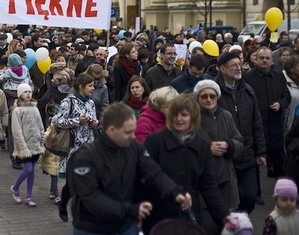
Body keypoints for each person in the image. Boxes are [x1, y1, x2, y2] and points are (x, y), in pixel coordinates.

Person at [68, 102, 192, 235]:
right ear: (111, 130)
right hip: (92, 228)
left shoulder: (134, 148)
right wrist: (130, 210)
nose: (133, 136)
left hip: (125, 225)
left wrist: (174, 191)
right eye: (128, 132)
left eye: (134, 130)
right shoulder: (86, 157)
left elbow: (154, 173)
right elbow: (91, 197)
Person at [143, 93, 230, 234]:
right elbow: (147, 177)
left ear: (193, 118)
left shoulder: (202, 146)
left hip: (189, 217)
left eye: (184, 115)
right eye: (175, 114)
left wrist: (224, 215)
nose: (178, 119)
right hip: (159, 217)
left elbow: (208, 186)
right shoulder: (155, 141)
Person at [215, 51, 266, 214]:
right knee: (226, 199)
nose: (239, 68)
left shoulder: (248, 90)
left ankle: (239, 221)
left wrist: (261, 152)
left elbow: (256, 123)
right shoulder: (213, 92)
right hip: (225, 156)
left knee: (250, 197)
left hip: (247, 153)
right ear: (223, 69)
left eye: (239, 64)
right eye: (234, 65)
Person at [194, 80, 244, 234]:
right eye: (204, 96)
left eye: (212, 96)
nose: (209, 99)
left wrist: (228, 145)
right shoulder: (192, 119)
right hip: (203, 182)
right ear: (198, 99)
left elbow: (240, 142)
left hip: (226, 179)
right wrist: (207, 149)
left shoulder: (226, 116)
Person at [54, 73, 100, 222]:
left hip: (89, 147)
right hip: (73, 148)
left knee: (87, 181)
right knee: (73, 182)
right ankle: (64, 205)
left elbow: (94, 121)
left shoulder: (91, 103)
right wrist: (77, 121)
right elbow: (59, 122)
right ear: (81, 86)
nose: (93, 88)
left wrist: (95, 124)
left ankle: (82, 211)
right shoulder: (68, 102)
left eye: (93, 85)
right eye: (90, 86)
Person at [243, 47, 291, 179]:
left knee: (281, 166)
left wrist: (280, 104)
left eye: (267, 58)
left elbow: (286, 95)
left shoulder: (279, 76)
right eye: (261, 58)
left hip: (276, 127)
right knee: (255, 165)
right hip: (257, 128)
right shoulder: (247, 78)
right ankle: (258, 196)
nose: (264, 61)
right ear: (256, 60)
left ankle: (282, 192)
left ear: (272, 60)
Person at [9, 84, 44, 207]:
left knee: (32, 171)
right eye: (25, 92)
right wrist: (22, 147)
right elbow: (16, 130)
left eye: (29, 91)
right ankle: (15, 187)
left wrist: (42, 139)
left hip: (35, 144)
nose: (28, 94)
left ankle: (28, 196)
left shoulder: (35, 108)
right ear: (20, 95)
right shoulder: (17, 111)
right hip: (24, 146)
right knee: (28, 169)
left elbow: (40, 125)